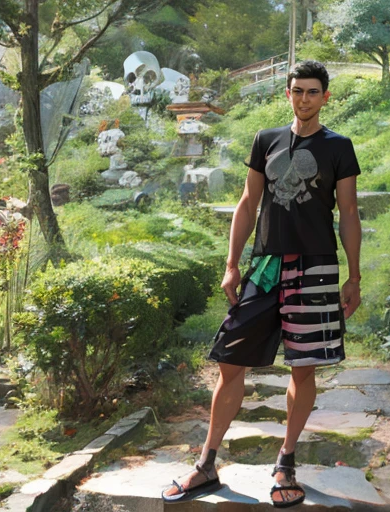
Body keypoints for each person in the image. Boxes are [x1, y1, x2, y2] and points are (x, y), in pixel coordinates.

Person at [162, 60, 362, 508]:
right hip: (266, 265)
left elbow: (348, 213)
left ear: (325, 97)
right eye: (297, 91)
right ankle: (206, 463)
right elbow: (248, 202)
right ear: (288, 94)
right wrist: (232, 264)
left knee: (303, 367)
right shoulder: (266, 140)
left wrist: (354, 275)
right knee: (229, 360)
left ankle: (285, 461)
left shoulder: (338, 147)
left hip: (316, 267)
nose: (304, 99)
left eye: (313, 92)